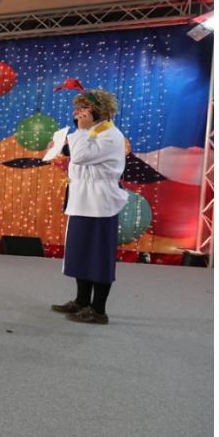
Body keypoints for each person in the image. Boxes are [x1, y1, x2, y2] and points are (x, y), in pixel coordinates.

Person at [50, 89, 129, 325]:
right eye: (78, 109)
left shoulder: (110, 135)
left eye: (84, 109)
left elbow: (82, 156)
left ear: (98, 111)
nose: (78, 113)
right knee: (80, 251)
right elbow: (76, 152)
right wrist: (59, 148)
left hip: (99, 202)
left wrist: (81, 132)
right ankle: (82, 301)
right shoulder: (92, 132)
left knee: (98, 255)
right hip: (81, 198)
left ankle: (98, 310)